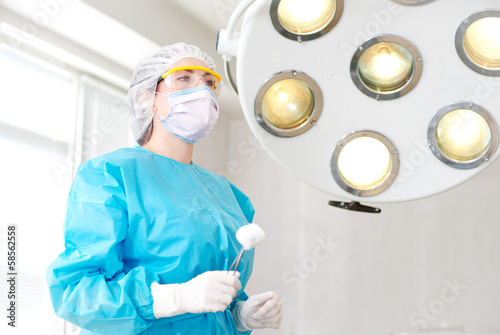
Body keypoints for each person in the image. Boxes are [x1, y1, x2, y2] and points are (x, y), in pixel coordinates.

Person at [46, 43, 282, 335]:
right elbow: (78, 292)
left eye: (209, 82)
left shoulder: (229, 195)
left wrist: (239, 315)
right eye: (184, 78)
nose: (203, 90)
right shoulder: (110, 175)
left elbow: (208, 299)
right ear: (148, 98)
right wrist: (174, 298)